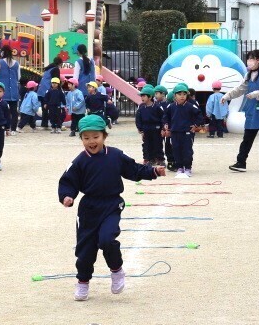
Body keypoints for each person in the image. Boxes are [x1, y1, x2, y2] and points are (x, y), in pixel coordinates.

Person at [58, 114, 166, 301]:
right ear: (81, 139)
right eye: (86, 137)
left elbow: (134, 170)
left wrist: (153, 171)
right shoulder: (79, 161)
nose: (91, 141)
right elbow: (68, 181)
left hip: (111, 205)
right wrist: (67, 196)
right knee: (85, 249)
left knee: (107, 239)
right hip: (88, 209)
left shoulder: (115, 155)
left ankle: (116, 270)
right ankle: (83, 282)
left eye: (95, 136)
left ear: (104, 136)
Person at [223, 50, 259, 173]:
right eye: (248, 58)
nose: (249, 61)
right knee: (247, 138)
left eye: (252, 58)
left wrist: (255, 94)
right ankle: (241, 162)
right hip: (252, 110)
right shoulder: (248, 74)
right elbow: (240, 89)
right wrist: (227, 96)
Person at [163, 83, 204, 178]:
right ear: (174, 96)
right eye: (179, 94)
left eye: (184, 94)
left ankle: (188, 168)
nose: (182, 96)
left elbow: (200, 116)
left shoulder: (190, 106)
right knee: (176, 150)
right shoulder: (171, 106)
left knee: (187, 151)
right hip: (175, 133)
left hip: (187, 133)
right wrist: (167, 128)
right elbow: (165, 118)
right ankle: (180, 167)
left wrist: (195, 125)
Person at [0, 45, 21, 134]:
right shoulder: (16, 63)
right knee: (14, 111)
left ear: (2, 53)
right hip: (14, 90)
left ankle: (5, 128)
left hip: (2, 91)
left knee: (3, 111)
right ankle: (13, 129)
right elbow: (19, 77)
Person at [135, 84, 164, 165]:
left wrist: (163, 128)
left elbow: (163, 118)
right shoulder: (141, 107)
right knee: (147, 145)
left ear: (150, 97)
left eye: (144, 96)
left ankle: (160, 159)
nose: (142, 98)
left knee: (157, 144)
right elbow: (138, 119)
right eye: (141, 96)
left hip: (156, 129)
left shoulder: (157, 107)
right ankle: (149, 159)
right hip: (146, 128)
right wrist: (140, 129)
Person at [38, 56, 63, 130]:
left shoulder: (48, 69)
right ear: (60, 63)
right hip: (49, 90)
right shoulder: (56, 69)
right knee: (53, 109)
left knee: (44, 108)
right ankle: (56, 124)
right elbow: (56, 80)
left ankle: (44, 124)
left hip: (42, 90)